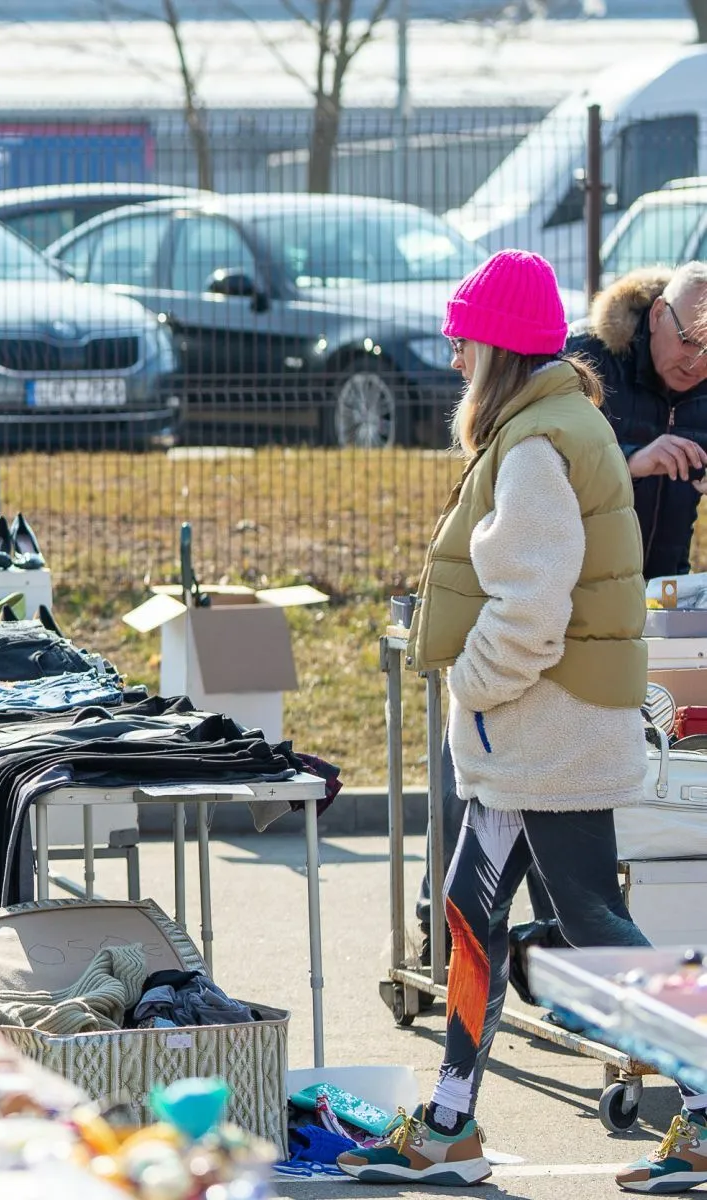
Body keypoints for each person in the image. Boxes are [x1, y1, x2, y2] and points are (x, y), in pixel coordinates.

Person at [341, 250, 707, 1191]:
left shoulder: (536, 441)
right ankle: (450, 1123)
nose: (456, 359)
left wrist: (472, 678)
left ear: (495, 348)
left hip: (542, 724)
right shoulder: (553, 421)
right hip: (539, 727)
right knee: (473, 915)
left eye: (464, 341)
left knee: (589, 919)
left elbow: (529, 607)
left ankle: (704, 1116)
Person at [566, 262, 707, 580]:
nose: (697, 363)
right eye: (688, 341)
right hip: (581, 587)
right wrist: (630, 461)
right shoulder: (586, 359)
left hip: (665, 588)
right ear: (658, 314)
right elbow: (546, 467)